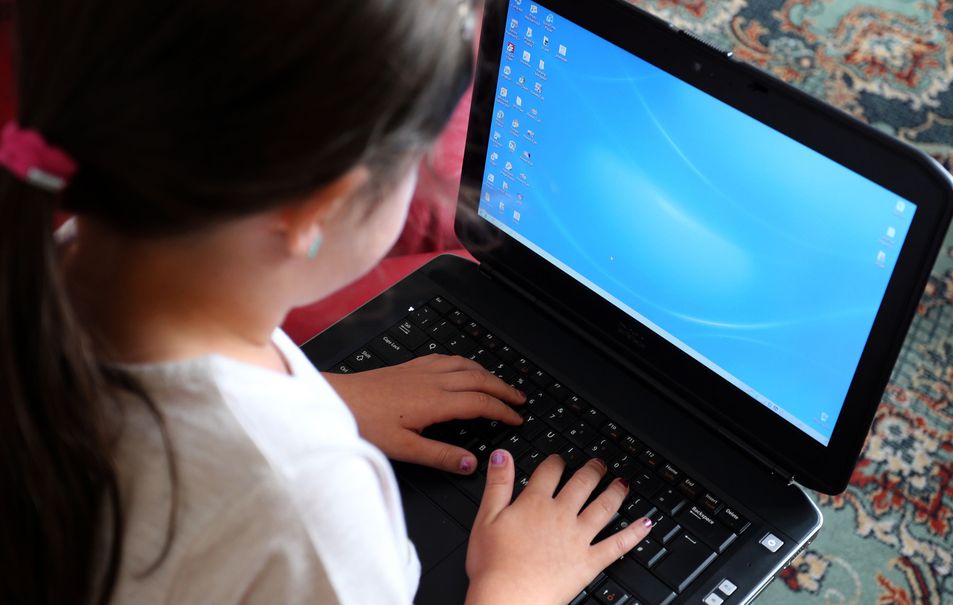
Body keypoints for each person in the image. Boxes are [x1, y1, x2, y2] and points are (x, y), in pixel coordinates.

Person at [0, 1, 653, 604]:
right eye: (417, 159)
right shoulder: (313, 499)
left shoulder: (60, 260)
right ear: (319, 207)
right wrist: (516, 584)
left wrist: (324, 395)